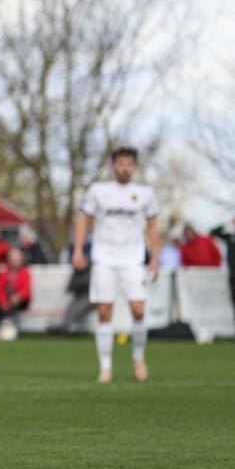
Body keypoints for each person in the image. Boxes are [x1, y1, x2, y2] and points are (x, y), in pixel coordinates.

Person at [72, 146, 160, 384]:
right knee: (103, 312)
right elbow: (83, 220)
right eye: (120, 163)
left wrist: (154, 258)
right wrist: (79, 250)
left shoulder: (145, 193)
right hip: (104, 258)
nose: (124, 168)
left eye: (129, 163)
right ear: (114, 166)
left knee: (139, 310)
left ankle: (139, 359)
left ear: (134, 166)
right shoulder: (99, 191)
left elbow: (153, 225)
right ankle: (106, 366)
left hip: (133, 258)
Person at [0, 248, 32, 339]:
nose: (14, 261)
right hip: (7, 300)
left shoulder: (25, 272)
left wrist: (18, 297)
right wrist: (3, 302)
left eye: (16, 259)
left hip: (21, 301)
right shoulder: (5, 272)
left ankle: (10, 328)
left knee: (14, 307)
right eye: (13, 259)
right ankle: (0, 328)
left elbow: (26, 290)